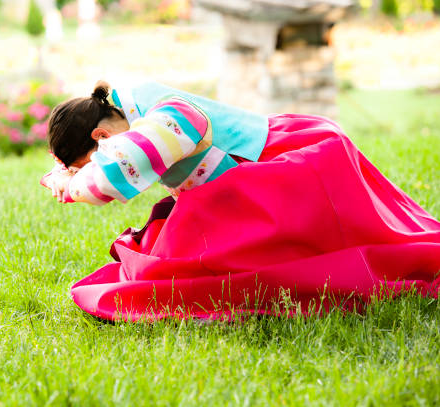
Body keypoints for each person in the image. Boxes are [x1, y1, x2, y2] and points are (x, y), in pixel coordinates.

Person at [41, 80, 440, 321]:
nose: (90, 168)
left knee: (347, 248)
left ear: (101, 139)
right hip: (246, 185)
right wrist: (67, 175)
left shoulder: (164, 114)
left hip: (289, 163)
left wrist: (72, 185)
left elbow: (117, 171)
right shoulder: (138, 113)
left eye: (86, 163)